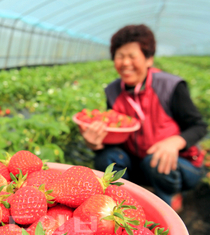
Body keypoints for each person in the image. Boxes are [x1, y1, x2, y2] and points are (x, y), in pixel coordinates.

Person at [81, 24, 207, 211]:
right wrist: (96, 143)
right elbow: (115, 136)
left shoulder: (170, 87)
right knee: (106, 158)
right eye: (120, 56)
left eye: (132, 56)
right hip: (136, 163)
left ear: (149, 59)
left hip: (179, 164)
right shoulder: (113, 91)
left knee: (157, 159)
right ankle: (121, 206)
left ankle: (169, 200)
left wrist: (175, 142)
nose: (125, 63)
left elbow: (199, 126)